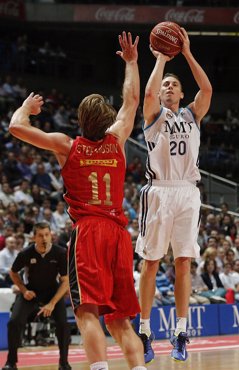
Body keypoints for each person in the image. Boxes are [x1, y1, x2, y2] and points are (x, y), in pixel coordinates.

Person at [8, 32, 146, 370]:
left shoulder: (66, 145)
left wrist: (27, 107)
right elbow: (131, 101)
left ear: (81, 121)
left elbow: (15, 127)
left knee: (87, 312)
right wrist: (131, 62)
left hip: (89, 233)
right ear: (106, 119)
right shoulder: (117, 140)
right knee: (121, 319)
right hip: (118, 234)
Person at [135, 26, 212, 363]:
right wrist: (163, 60)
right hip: (159, 191)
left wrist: (188, 53)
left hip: (187, 192)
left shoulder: (192, 114)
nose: (168, 86)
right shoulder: (154, 115)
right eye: (166, 84)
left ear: (182, 94)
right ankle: (145, 331)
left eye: (174, 85)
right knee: (151, 263)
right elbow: (148, 94)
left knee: (183, 263)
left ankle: (181, 332)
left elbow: (207, 88)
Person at [2, 222, 71, 370]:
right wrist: (23, 290)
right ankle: (11, 362)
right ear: (34, 237)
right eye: (40, 235)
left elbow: (65, 282)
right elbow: (13, 273)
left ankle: (63, 363)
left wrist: (52, 303)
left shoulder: (60, 253)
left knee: (63, 325)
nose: (44, 238)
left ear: (51, 235)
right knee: (14, 322)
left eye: (47, 234)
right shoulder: (25, 253)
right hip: (31, 292)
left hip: (53, 292)